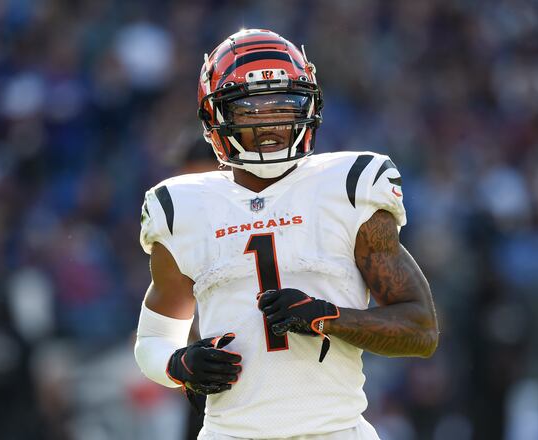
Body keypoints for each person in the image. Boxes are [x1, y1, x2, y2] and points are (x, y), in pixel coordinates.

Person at [134, 29, 439, 440]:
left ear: (309, 104)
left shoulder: (349, 186)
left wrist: (326, 317)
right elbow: (153, 339)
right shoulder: (181, 207)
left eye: (283, 104)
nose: (271, 123)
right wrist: (179, 365)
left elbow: (421, 330)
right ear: (216, 116)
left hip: (336, 430)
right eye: (250, 109)